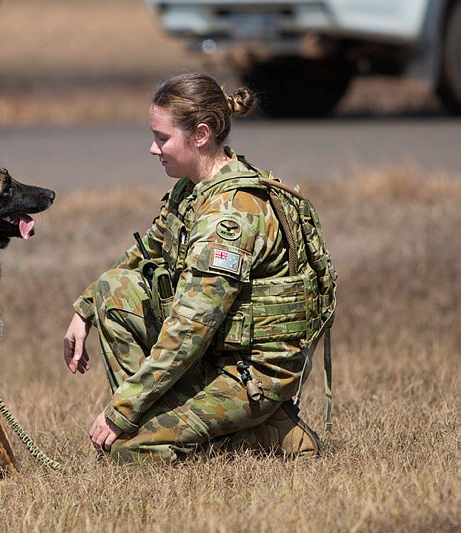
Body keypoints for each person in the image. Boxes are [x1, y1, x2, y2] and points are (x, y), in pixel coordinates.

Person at [62, 72, 324, 464]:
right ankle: (162, 421)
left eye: (162, 138)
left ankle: (268, 434)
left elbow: (189, 329)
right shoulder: (192, 191)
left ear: (200, 135)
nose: (153, 149)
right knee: (113, 290)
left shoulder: (228, 218)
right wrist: (84, 310)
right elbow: (145, 252)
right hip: (214, 357)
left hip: (248, 376)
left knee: (127, 451)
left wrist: (123, 411)